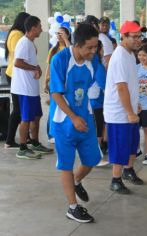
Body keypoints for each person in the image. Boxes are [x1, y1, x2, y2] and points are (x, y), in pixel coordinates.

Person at [49, 23, 102, 223]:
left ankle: (77, 181)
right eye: (89, 47)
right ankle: (72, 207)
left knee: (92, 159)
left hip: (85, 118)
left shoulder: (93, 61)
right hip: (64, 122)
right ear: (77, 45)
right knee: (66, 165)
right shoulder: (60, 60)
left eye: (95, 47)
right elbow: (55, 93)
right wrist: (73, 117)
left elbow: (97, 85)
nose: (93, 51)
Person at [104, 21, 144, 194]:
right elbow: (121, 87)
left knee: (132, 144)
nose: (138, 40)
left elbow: (130, 84)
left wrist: (135, 104)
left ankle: (128, 170)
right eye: (134, 37)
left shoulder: (129, 54)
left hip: (129, 110)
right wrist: (129, 112)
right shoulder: (120, 56)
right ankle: (115, 179)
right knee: (120, 147)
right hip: (119, 113)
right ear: (124, 36)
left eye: (139, 36)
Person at [11, 16, 53, 159]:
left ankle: (35, 142)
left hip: (31, 88)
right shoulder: (24, 43)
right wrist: (34, 67)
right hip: (24, 88)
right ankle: (23, 147)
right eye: (40, 26)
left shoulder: (29, 43)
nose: (41, 29)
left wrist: (37, 68)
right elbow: (17, 62)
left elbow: (28, 63)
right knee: (26, 118)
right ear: (33, 28)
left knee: (36, 115)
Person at [4, 12, 30, 149]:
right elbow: (19, 57)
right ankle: (9, 140)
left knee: (22, 109)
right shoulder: (16, 35)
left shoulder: (18, 34)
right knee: (18, 109)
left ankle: (26, 137)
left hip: (17, 75)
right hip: (14, 75)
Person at [44, 26, 71, 143]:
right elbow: (48, 66)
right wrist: (45, 81)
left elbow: (72, 54)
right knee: (53, 108)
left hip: (67, 83)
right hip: (54, 82)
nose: (59, 35)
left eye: (62, 33)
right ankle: (51, 134)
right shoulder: (53, 50)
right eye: (57, 33)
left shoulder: (69, 47)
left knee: (66, 107)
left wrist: (66, 40)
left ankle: (65, 131)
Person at [88, 40, 109, 166]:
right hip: (96, 103)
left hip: (90, 102)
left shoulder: (88, 63)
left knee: (96, 128)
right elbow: (104, 86)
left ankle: (99, 151)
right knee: (98, 129)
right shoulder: (98, 66)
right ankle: (96, 157)